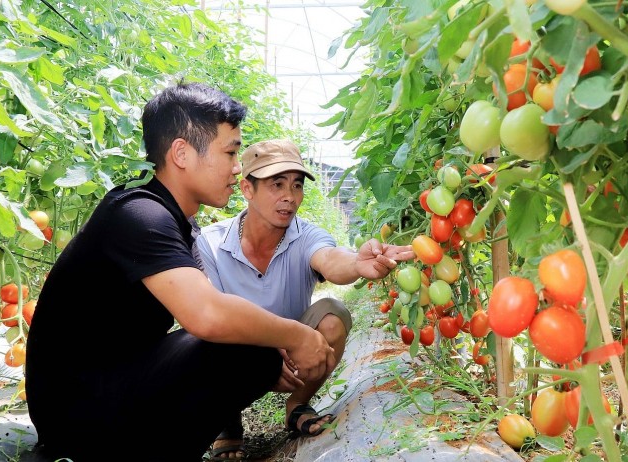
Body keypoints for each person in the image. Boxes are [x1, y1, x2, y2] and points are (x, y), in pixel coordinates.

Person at [24, 83, 335, 462]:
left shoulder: (174, 221)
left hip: (109, 387)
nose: (238, 168)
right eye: (231, 152)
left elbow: (214, 309)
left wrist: (272, 350)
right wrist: (296, 336)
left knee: (253, 348)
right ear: (182, 153)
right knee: (248, 350)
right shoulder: (140, 213)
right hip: (76, 416)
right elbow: (206, 315)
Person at [196, 139, 414, 460]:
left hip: (293, 357)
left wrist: (356, 263)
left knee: (333, 314)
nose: (289, 196)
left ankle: (297, 405)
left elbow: (329, 258)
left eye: (297, 185)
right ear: (247, 189)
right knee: (205, 336)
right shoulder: (210, 243)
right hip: (236, 355)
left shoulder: (306, 235)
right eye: (277, 184)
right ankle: (228, 420)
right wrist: (267, 352)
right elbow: (209, 317)